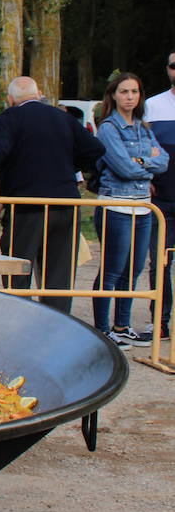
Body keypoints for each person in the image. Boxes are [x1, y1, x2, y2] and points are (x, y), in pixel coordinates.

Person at [0, 77, 106, 312]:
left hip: (26, 206)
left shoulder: (10, 118)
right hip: (65, 203)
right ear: (39, 94)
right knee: (58, 276)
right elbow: (95, 149)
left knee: (17, 270)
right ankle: (57, 325)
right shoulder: (63, 117)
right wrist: (67, 166)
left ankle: (18, 320)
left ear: (10, 99)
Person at [90, 72, 166, 348]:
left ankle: (122, 325)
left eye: (134, 91)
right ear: (113, 95)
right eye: (124, 91)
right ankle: (102, 327)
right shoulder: (109, 128)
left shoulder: (144, 127)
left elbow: (164, 161)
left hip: (144, 207)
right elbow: (122, 167)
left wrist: (139, 161)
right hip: (116, 204)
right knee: (112, 269)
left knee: (133, 270)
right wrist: (147, 164)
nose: (130, 96)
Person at [144, 49, 175, 344]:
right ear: (167, 69)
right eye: (174, 66)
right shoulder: (153, 106)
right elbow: (145, 149)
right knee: (161, 262)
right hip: (162, 199)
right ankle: (160, 322)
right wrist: (148, 176)